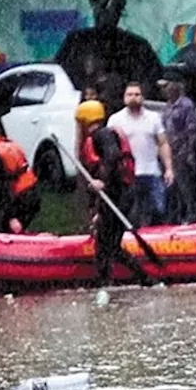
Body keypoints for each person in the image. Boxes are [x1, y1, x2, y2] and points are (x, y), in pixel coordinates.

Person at [75, 100, 153, 287]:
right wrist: (97, 209)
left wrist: (103, 182)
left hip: (118, 195)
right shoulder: (103, 135)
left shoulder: (102, 135)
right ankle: (145, 279)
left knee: (103, 245)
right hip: (117, 195)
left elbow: (113, 156)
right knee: (111, 245)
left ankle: (104, 284)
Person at [106, 82, 174, 227]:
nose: (133, 98)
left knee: (159, 210)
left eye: (137, 95)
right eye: (129, 95)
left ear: (142, 97)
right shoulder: (115, 120)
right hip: (128, 175)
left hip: (152, 172)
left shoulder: (154, 118)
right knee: (132, 214)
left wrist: (168, 168)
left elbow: (163, 143)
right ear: (124, 97)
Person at [160, 75, 196, 224]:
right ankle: (174, 217)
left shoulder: (186, 105)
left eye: (167, 86)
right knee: (172, 188)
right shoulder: (168, 106)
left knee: (186, 187)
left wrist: (189, 152)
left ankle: (191, 216)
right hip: (170, 152)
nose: (165, 90)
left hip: (183, 151)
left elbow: (191, 130)